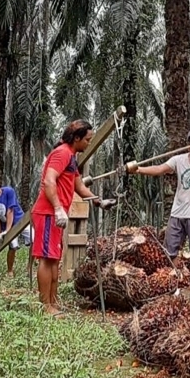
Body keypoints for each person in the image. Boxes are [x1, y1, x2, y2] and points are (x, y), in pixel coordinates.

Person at [126, 128, 190, 302]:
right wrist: (138, 170)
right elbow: (159, 169)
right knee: (171, 250)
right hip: (177, 213)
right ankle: (175, 284)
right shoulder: (178, 160)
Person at [31, 120, 117, 317]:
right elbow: (49, 180)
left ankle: (53, 303)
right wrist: (58, 208)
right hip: (47, 213)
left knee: (54, 259)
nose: (89, 143)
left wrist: (99, 201)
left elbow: (78, 186)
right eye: (87, 139)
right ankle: (45, 307)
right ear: (76, 138)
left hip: (56, 214)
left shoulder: (71, 157)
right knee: (46, 259)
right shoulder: (61, 153)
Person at [0, 178, 32, 277]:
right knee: (13, 247)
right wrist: (0, 234)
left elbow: (10, 211)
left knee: (34, 240)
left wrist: (8, 231)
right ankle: (10, 271)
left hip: (20, 221)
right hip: (6, 226)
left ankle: (29, 267)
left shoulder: (8, 191)